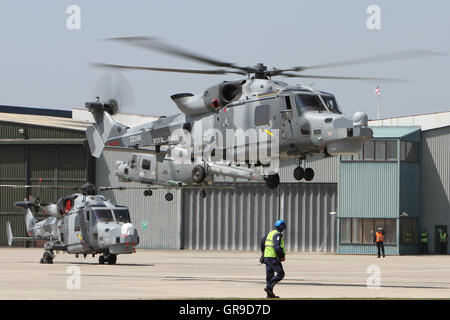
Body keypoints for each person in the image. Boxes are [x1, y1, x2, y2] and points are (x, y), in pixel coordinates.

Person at [260, 219, 287, 298]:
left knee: (270, 275)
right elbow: (277, 247)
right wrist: (282, 256)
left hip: (267, 256)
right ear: (282, 227)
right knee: (281, 274)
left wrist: (264, 252)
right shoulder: (277, 235)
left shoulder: (270, 233)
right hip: (273, 257)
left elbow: (262, 241)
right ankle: (269, 287)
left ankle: (269, 295)